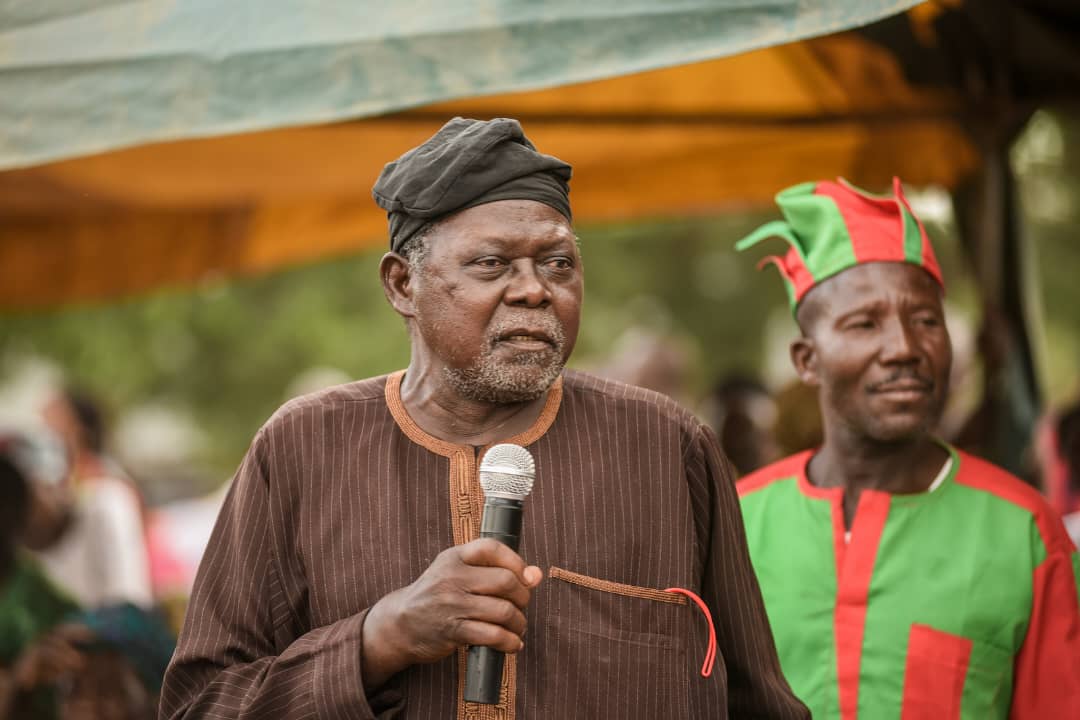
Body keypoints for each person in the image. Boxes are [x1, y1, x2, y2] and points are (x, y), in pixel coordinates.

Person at [160, 117, 809, 719]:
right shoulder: (302, 448)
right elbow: (200, 705)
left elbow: (757, 702)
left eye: (558, 263)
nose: (533, 289)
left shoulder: (666, 447)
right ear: (402, 285)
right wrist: (379, 639)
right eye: (492, 263)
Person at [735, 177, 1080, 718]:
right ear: (807, 360)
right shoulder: (736, 524)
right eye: (864, 324)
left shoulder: (1025, 534)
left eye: (925, 321)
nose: (904, 347)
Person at [39, 387, 153, 608]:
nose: (43, 426)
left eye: (53, 417)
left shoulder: (110, 493)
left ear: (78, 430)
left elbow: (127, 582)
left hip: (106, 621)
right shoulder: (56, 492)